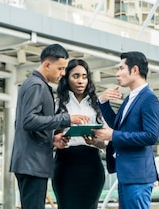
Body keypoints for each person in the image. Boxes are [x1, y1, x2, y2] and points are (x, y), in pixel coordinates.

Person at [10, 44, 90, 209]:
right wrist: (65, 119)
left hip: (30, 161)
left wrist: (51, 139)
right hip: (32, 163)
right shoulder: (37, 86)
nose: (62, 73)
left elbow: (23, 123)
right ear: (47, 65)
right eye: (60, 68)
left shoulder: (33, 84)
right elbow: (28, 121)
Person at [94, 51, 159, 209]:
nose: (117, 74)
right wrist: (102, 102)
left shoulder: (149, 99)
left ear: (135, 70)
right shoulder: (131, 98)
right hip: (126, 175)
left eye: (121, 68)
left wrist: (113, 135)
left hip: (138, 177)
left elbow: (151, 136)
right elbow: (118, 126)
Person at [52, 59, 106, 209]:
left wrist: (95, 141)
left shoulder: (97, 105)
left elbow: (105, 143)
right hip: (65, 164)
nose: (81, 81)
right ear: (66, 78)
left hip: (92, 165)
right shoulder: (56, 104)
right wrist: (58, 137)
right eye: (75, 76)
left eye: (84, 76)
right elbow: (49, 135)